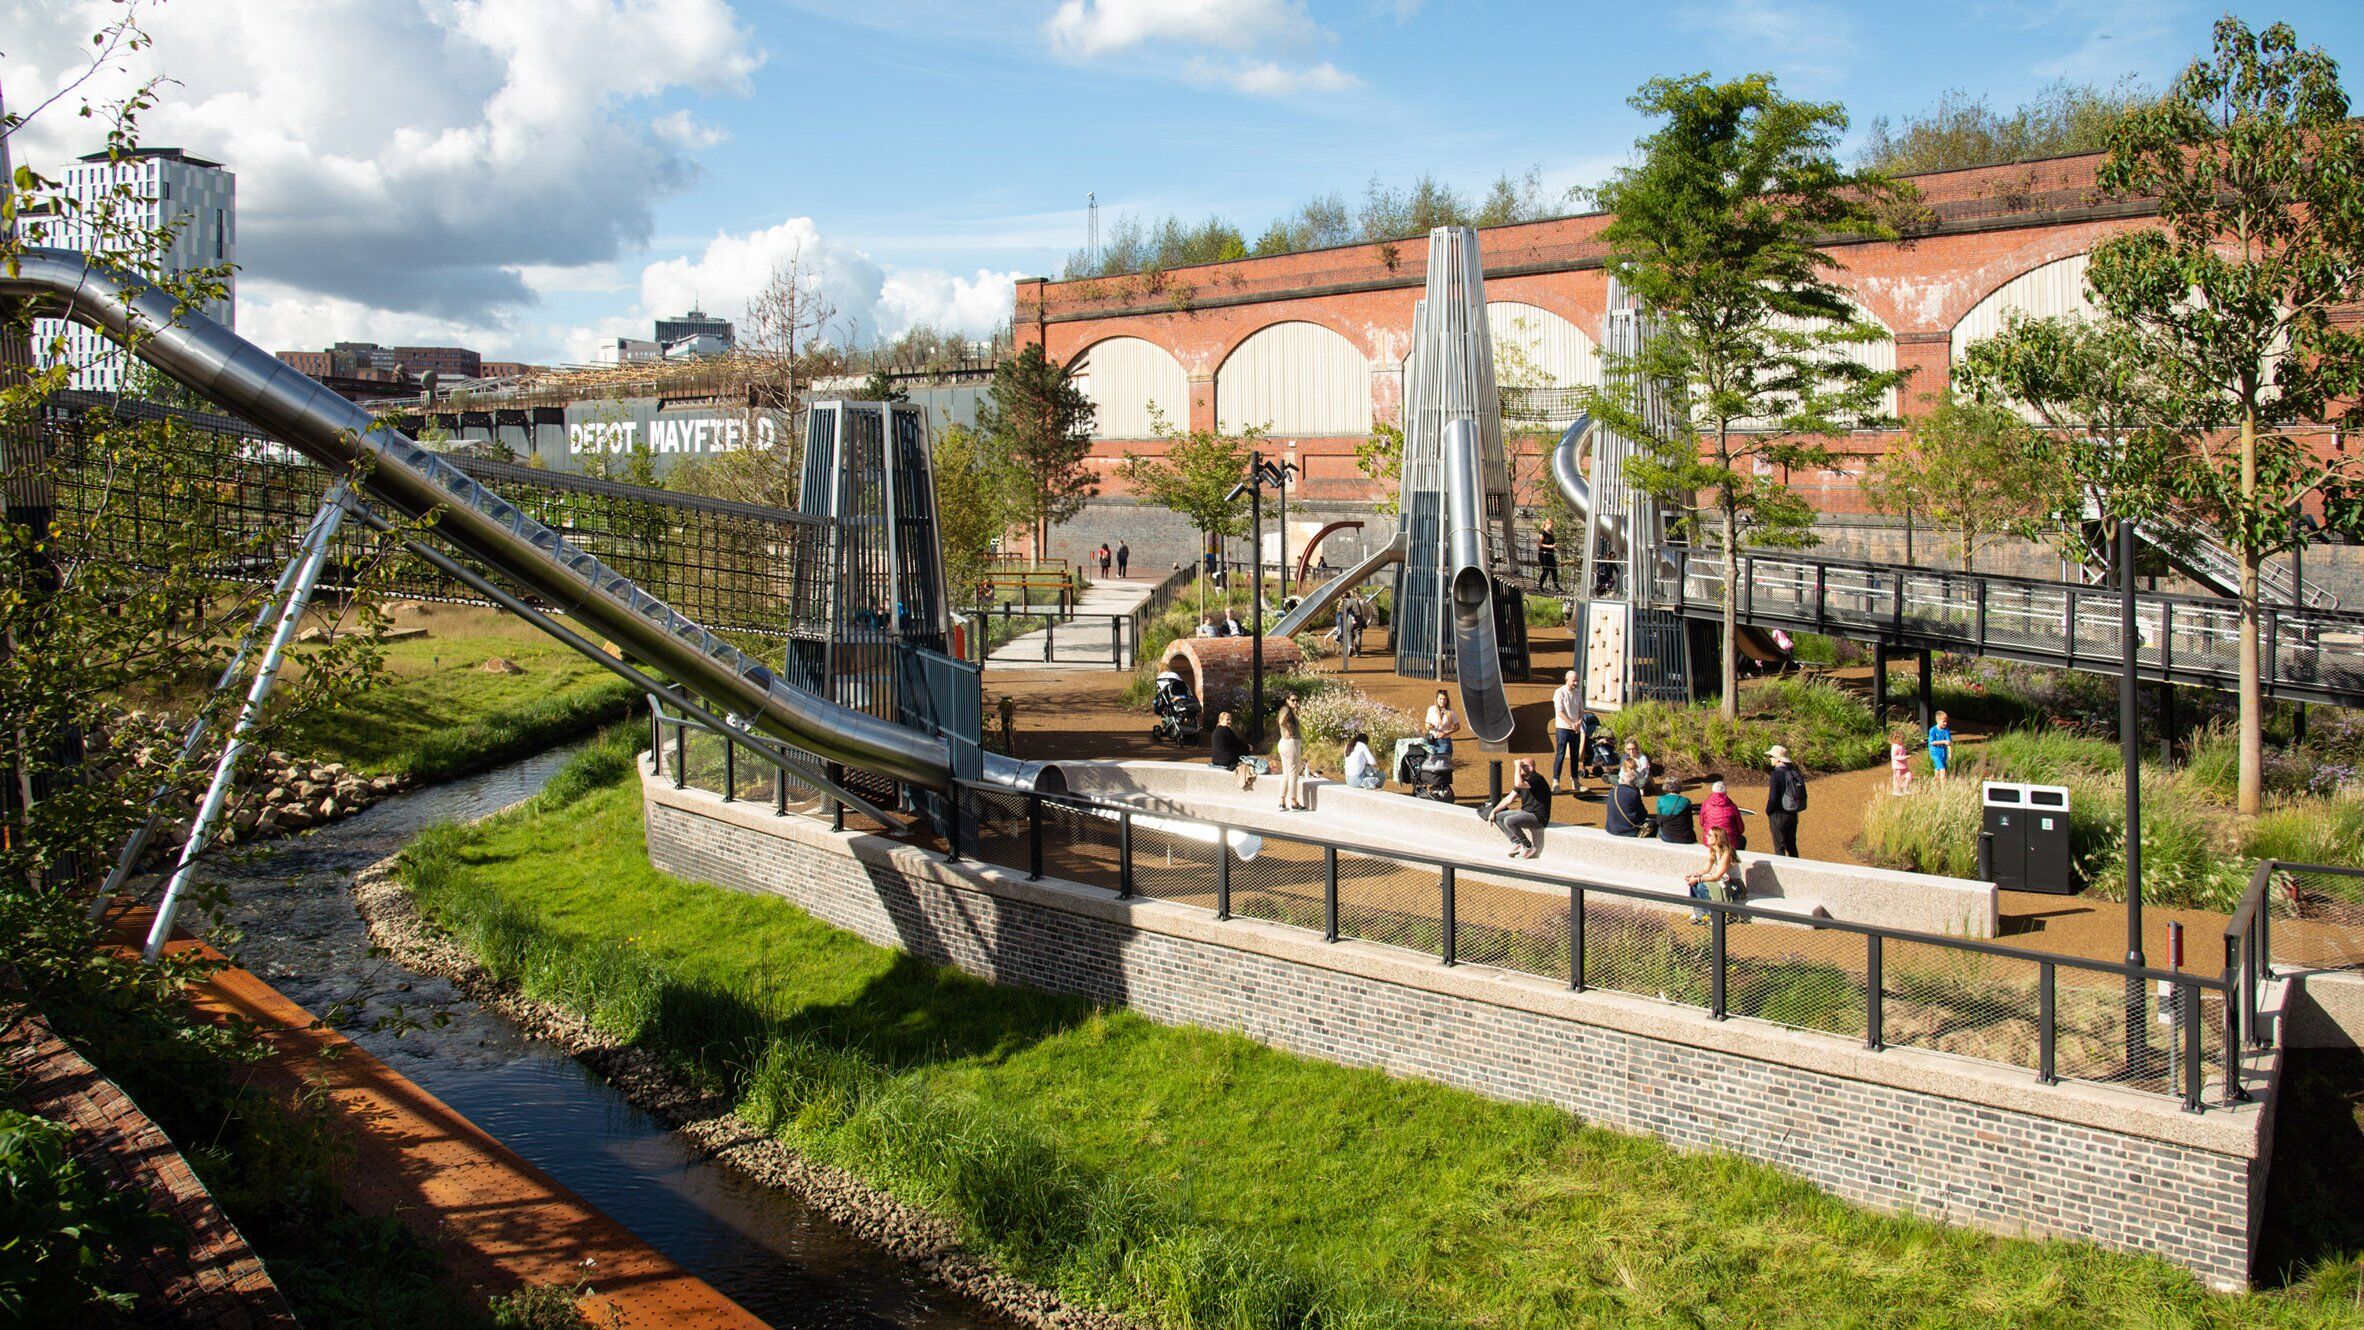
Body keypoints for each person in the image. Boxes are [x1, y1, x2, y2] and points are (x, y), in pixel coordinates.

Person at [1487, 757, 1552, 858]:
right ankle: (1517, 842)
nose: (1519, 769)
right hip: (1525, 812)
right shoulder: (1523, 781)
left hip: (1538, 818)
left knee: (1509, 820)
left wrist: (1517, 766)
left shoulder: (1537, 779)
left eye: (1522, 766)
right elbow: (1509, 799)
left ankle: (1528, 846)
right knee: (1498, 816)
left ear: (1530, 768)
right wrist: (1493, 811)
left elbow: (1518, 783)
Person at [1685, 827, 1741, 924]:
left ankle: (1711, 915)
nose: (1706, 836)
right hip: (1722, 881)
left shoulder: (1727, 854)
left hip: (1733, 885)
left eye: (1710, 835)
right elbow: (1706, 869)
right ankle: (1700, 914)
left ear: (1718, 838)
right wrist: (1693, 875)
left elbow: (1717, 876)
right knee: (1693, 883)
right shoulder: (1713, 850)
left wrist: (1698, 879)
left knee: (1701, 886)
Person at [1765, 745, 1806, 858]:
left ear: (1778, 759)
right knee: (1792, 847)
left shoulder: (1776, 775)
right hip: (1793, 814)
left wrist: (1768, 811)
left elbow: (1773, 798)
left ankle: (1780, 869)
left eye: (1771, 756)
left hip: (1778, 815)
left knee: (1779, 848)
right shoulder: (1794, 772)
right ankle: (1797, 867)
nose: (1770, 759)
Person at [1550, 669, 1584, 793]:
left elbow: (1581, 710)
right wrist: (1571, 723)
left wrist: (1579, 722)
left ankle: (1575, 780)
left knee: (1575, 755)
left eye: (1577, 681)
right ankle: (1556, 782)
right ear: (1566, 679)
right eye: (1573, 680)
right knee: (1561, 754)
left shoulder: (1578, 693)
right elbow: (1560, 712)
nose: (1576, 683)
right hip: (1563, 728)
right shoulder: (1559, 692)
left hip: (1575, 729)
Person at [1275, 696, 1308, 811]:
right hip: (1291, 744)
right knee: (1293, 773)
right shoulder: (1287, 709)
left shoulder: (1285, 710)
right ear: (1287, 700)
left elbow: (1282, 721)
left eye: (1297, 700)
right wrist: (1289, 730)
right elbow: (1281, 721)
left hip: (1284, 744)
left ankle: (1282, 802)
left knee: (1286, 774)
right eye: (1292, 700)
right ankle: (1294, 803)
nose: (1295, 702)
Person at [1701, 778, 1747, 851]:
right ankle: (1734, 856)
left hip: (1710, 841)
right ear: (1725, 792)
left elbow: (1702, 823)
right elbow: (1740, 828)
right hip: (1729, 842)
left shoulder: (1705, 805)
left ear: (1712, 791)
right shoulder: (1732, 807)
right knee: (1742, 840)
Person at [1603, 768, 1649, 836]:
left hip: (1611, 828)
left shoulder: (1612, 791)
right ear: (1634, 783)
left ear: (1622, 780)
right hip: (1628, 830)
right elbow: (1643, 813)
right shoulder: (1633, 793)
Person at [1652, 779, 1698, 844]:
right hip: (1685, 837)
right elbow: (1689, 820)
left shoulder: (1660, 799)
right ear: (1680, 787)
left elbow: (1659, 818)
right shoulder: (1686, 801)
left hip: (1666, 836)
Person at [1423, 689, 1461, 762]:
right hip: (1431, 741)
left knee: (1442, 764)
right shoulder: (1431, 709)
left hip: (1444, 742)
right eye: (1440, 699)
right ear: (1436, 699)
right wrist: (1429, 726)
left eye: (1444, 699)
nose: (1442, 701)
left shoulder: (1450, 712)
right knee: (1430, 764)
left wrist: (1446, 733)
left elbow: (1457, 726)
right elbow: (1426, 725)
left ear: (1447, 700)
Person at [1535, 518, 1561, 591]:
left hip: (1550, 554)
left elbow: (1552, 543)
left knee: (1554, 570)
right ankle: (1540, 586)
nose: (1551, 525)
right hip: (1543, 555)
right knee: (1546, 571)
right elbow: (1538, 544)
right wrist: (1549, 546)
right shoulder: (1543, 532)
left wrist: (1555, 546)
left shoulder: (1551, 532)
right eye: (1550, 524)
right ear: (1546, 524)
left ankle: (1557, 588)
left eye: (1552, 524)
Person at [1928, 710, 1953, 784]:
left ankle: (1935, 785)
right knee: (1943, 769)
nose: (1946, 723)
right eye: (1944, 721)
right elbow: (1932, 742)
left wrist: (1950, 753)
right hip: (1935, 752)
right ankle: (1943, 786)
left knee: (1938, 770)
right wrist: (1943, 741)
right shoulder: (1933, 730)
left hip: (1943, 752)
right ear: (1938, 721)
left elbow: (1949, 742)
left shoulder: (1946, 730)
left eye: (1946, 721)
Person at [1888, 729, 1914, 797]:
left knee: (1909, 776)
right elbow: (1894, 757)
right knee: (1897, 779)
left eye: (1903, 738)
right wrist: (1904, 757)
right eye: (1902, 739)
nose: (1903, 740)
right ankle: (1896, 791)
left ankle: (1905, 788)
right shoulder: (1894, 747)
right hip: (1897, 766)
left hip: (1904, 766)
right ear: (1896, 738)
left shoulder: (1901, 745)